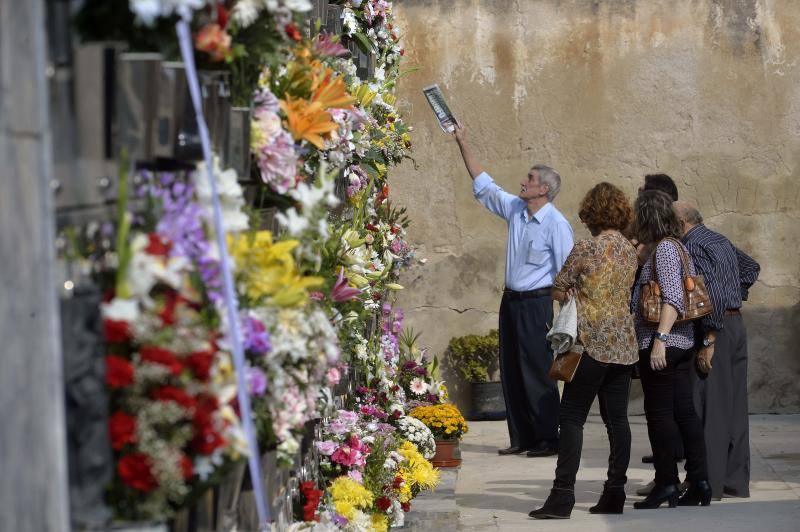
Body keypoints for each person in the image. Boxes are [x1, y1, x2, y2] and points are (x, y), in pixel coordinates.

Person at [452, 123, 573, 457]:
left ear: (544, 189)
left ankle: (548, 438)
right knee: (512, 369)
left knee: (537, 369)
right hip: (511, 302)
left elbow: (567, 272)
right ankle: (522, 437)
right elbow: (484, 184)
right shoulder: (517, 211)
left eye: (530, 179)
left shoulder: (556, 224)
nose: (523, 182)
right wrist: (463, 140)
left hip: (537, 304)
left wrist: (567, 319)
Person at [529, 183, 639, 519]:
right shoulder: (630, 251)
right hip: (623, 346)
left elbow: (559, 289)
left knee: (572, 418)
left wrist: (572, 293)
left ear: (591, 213)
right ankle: (615, 492)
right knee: (617, 420)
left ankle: (562, 496)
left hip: (589, 343)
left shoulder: (586, 248)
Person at [674, 201, 760, 500]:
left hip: (716, 329)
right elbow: (751, 267)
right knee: (734, 408)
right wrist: (737, 295)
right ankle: (735, 482)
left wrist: (709, 339)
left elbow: (713, 291)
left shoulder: (692, 246)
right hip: (735, 325)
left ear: (681, 222)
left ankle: (708, 483)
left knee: (710, 409)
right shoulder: (718, 239)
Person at [630, 190, 711, 509]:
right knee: (684, 412)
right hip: (682, 343)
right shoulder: (674, 246)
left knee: (659, 415)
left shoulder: (664, 249)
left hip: (664, 343)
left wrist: (659, 341)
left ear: (647, 217)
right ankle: (700, 481)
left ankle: (666, 483)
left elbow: (674, 298)